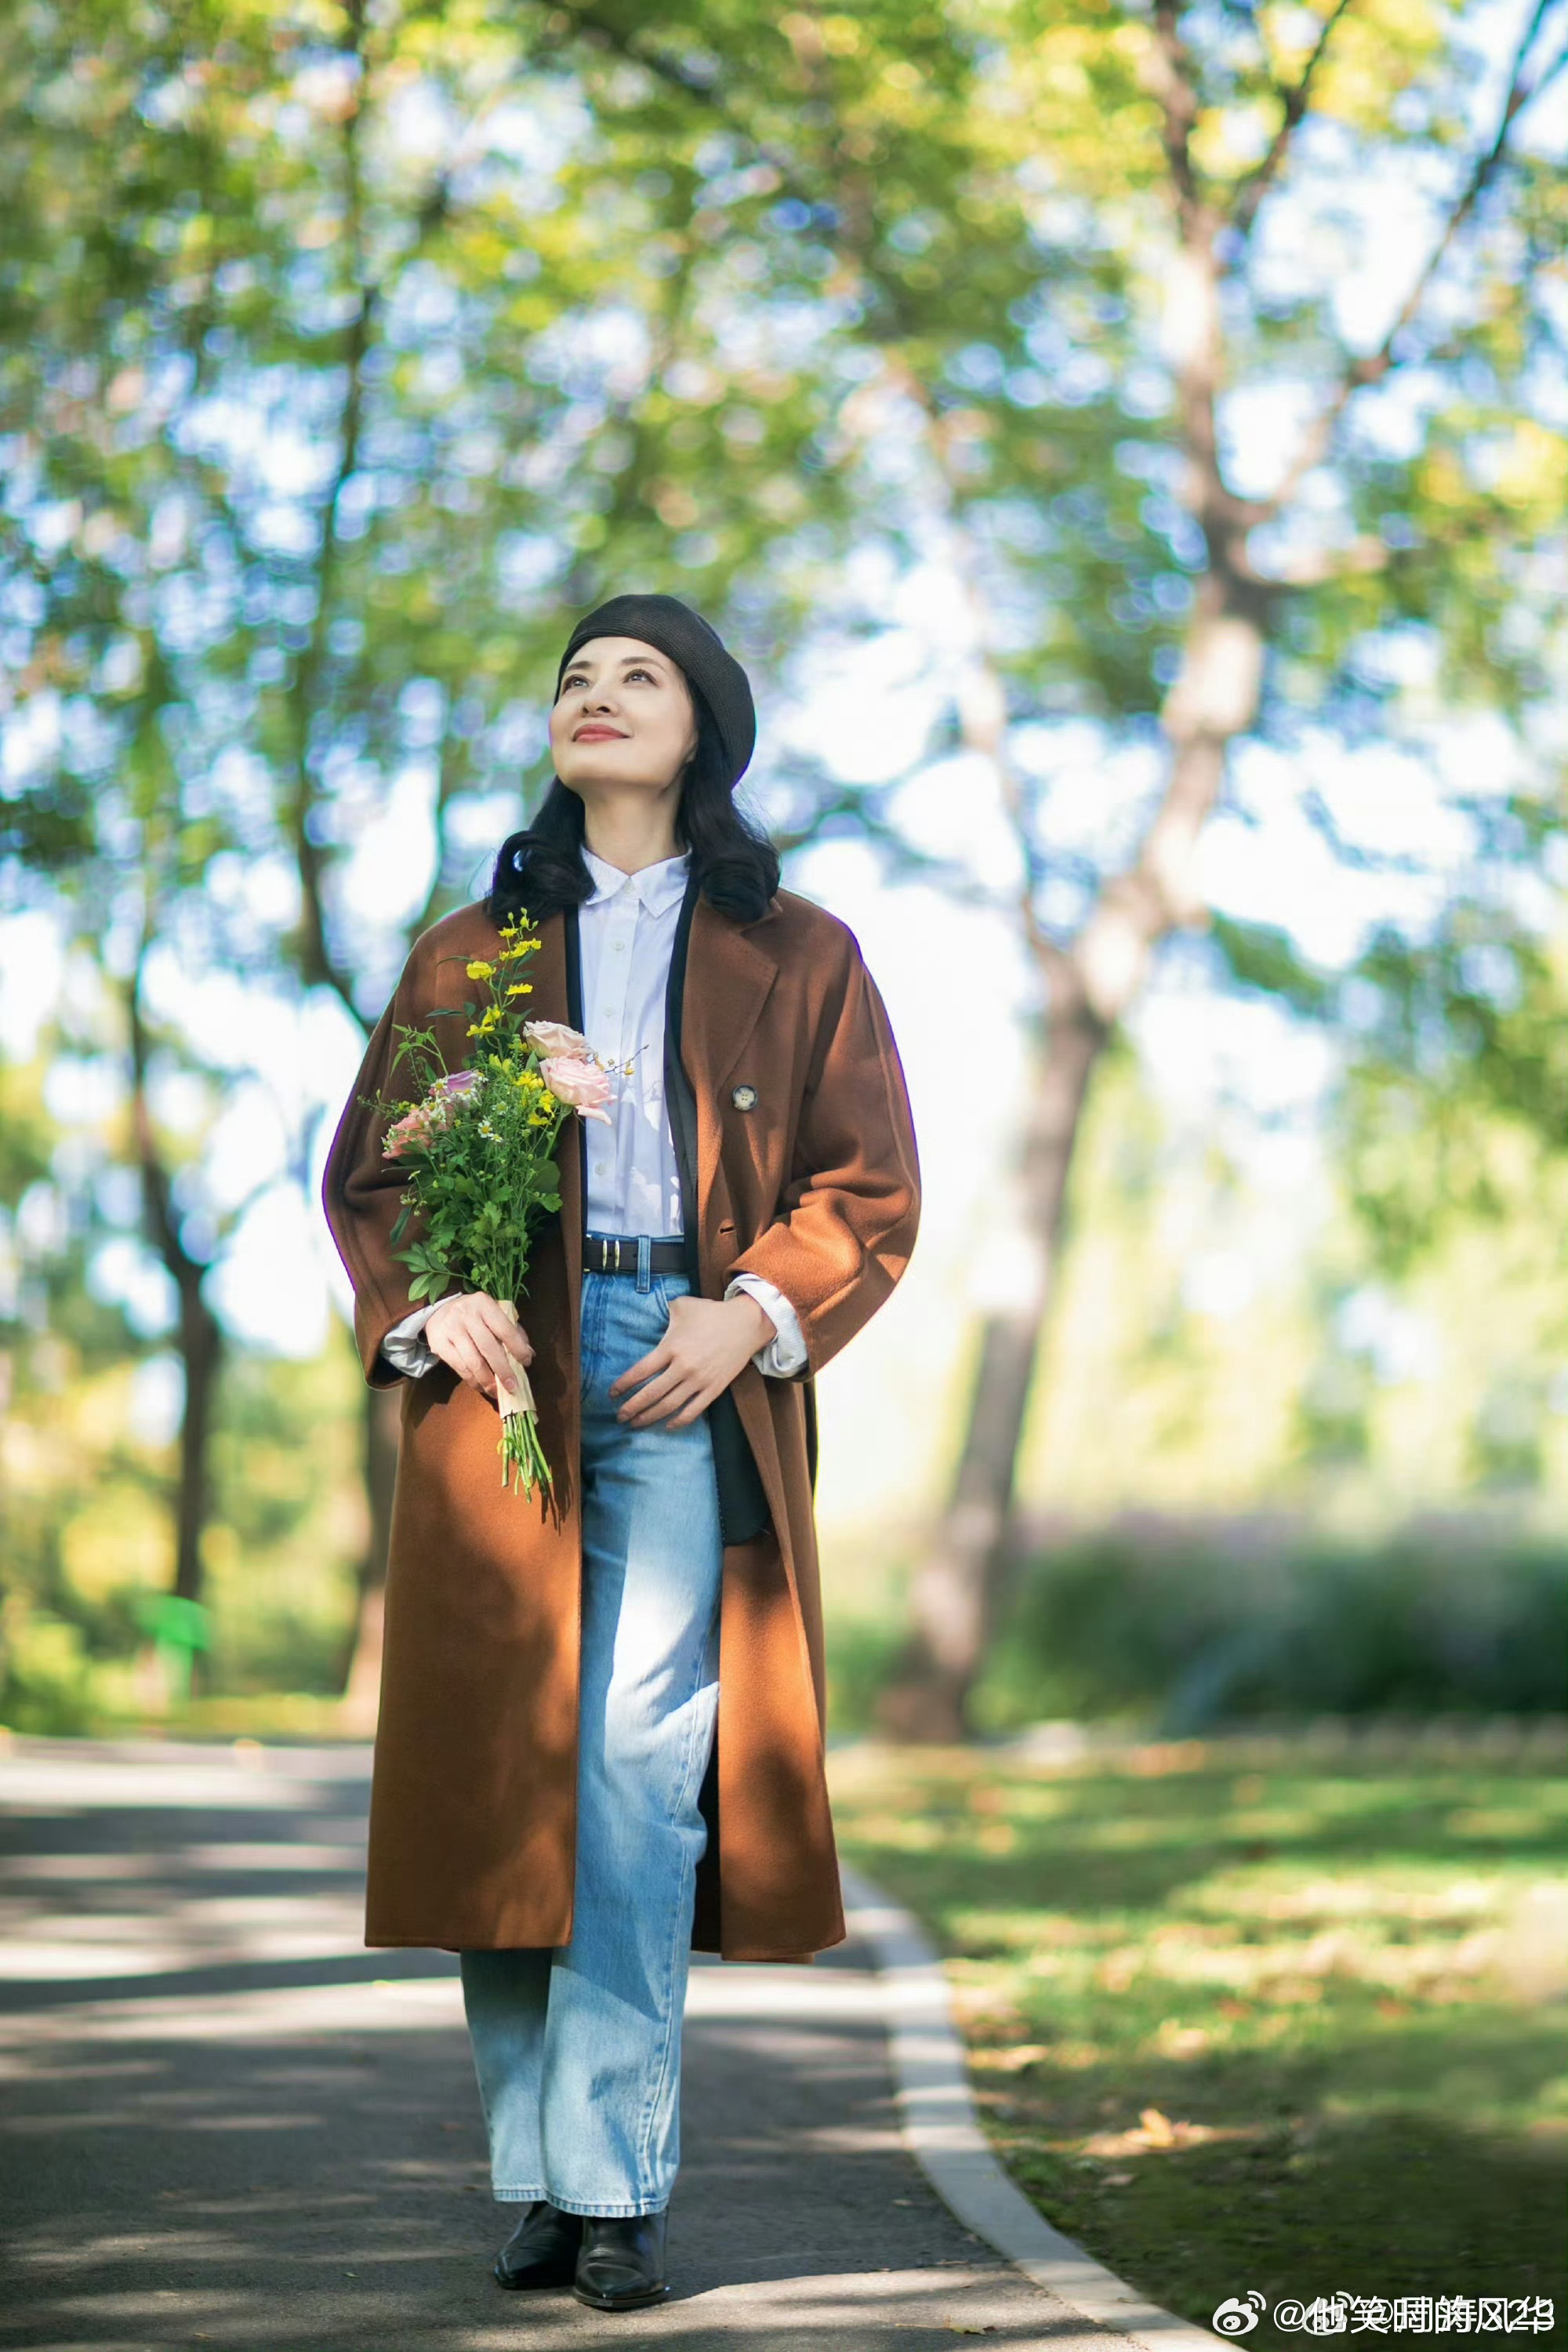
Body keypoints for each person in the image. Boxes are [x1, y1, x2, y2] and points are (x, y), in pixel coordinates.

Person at [321, 592, 920, 2313]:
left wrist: (750, 1313)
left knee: (637, 1776)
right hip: (501, 1390)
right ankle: (540, 2173)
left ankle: (613, 2184)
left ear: (702, 728)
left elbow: (867, 1185)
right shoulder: (473, 950)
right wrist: (436, 1302)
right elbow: (373, 1167)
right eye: (575, 677)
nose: (595, 697)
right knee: (502, 1773)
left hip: (682, 1362)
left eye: (636, 677)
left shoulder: (802, 951)